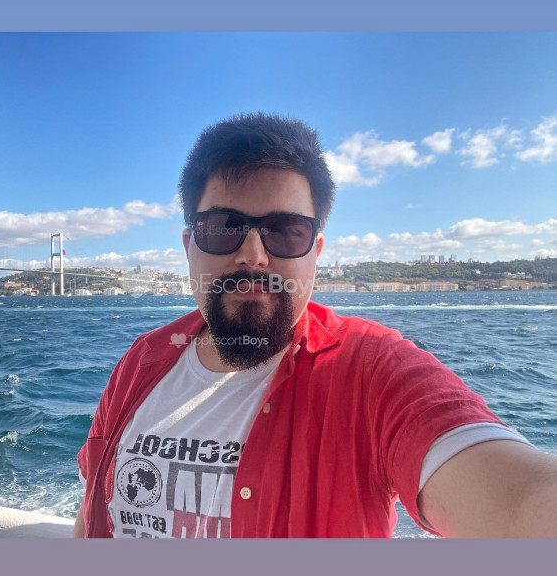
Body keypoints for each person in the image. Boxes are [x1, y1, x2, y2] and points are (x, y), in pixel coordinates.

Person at [73, 112, 557, 539]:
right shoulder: (139, 365)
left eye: (287, 231)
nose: (253, 256)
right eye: (223, 227)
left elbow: (517, 502)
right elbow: (91, 519)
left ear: (316, 253)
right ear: (188, 245)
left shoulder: (371, 373)